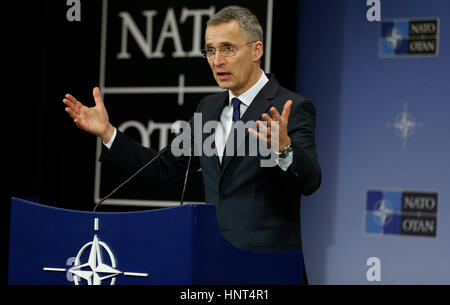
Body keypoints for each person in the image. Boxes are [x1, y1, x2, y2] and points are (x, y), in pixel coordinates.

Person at [63, 5, 321, 270]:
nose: (217, 60)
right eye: (210, 50)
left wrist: (284, 150)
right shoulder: (208, 109)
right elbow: (163, 166)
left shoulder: (290, 106)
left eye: (228, 48)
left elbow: (310, 181)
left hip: (267, 267)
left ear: (256, 50)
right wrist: (108, 133)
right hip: (212, 261)